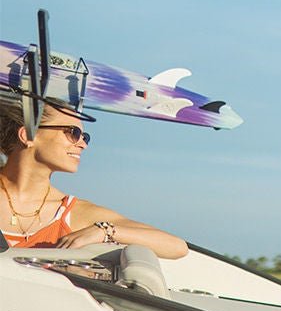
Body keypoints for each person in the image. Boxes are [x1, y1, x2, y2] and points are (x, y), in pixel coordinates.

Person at [0, 98, 188, 258]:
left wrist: (104, 231)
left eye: (85, 137)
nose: (83, 145)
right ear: (27, 135)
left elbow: (177, 246)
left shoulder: (73, 212)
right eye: (72, 133)